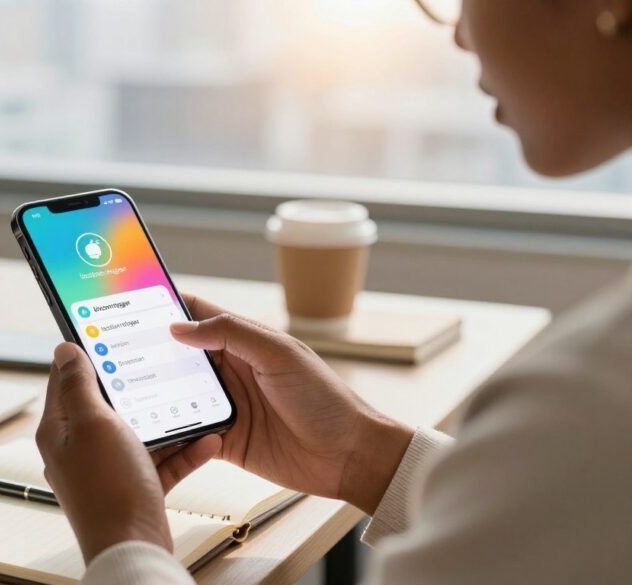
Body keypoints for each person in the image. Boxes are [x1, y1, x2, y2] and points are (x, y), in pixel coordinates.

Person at [35, 1, 632, 583]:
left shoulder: (590, 401)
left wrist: (126, 539)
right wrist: (360, 454)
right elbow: (555, 526)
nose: (459, 36)